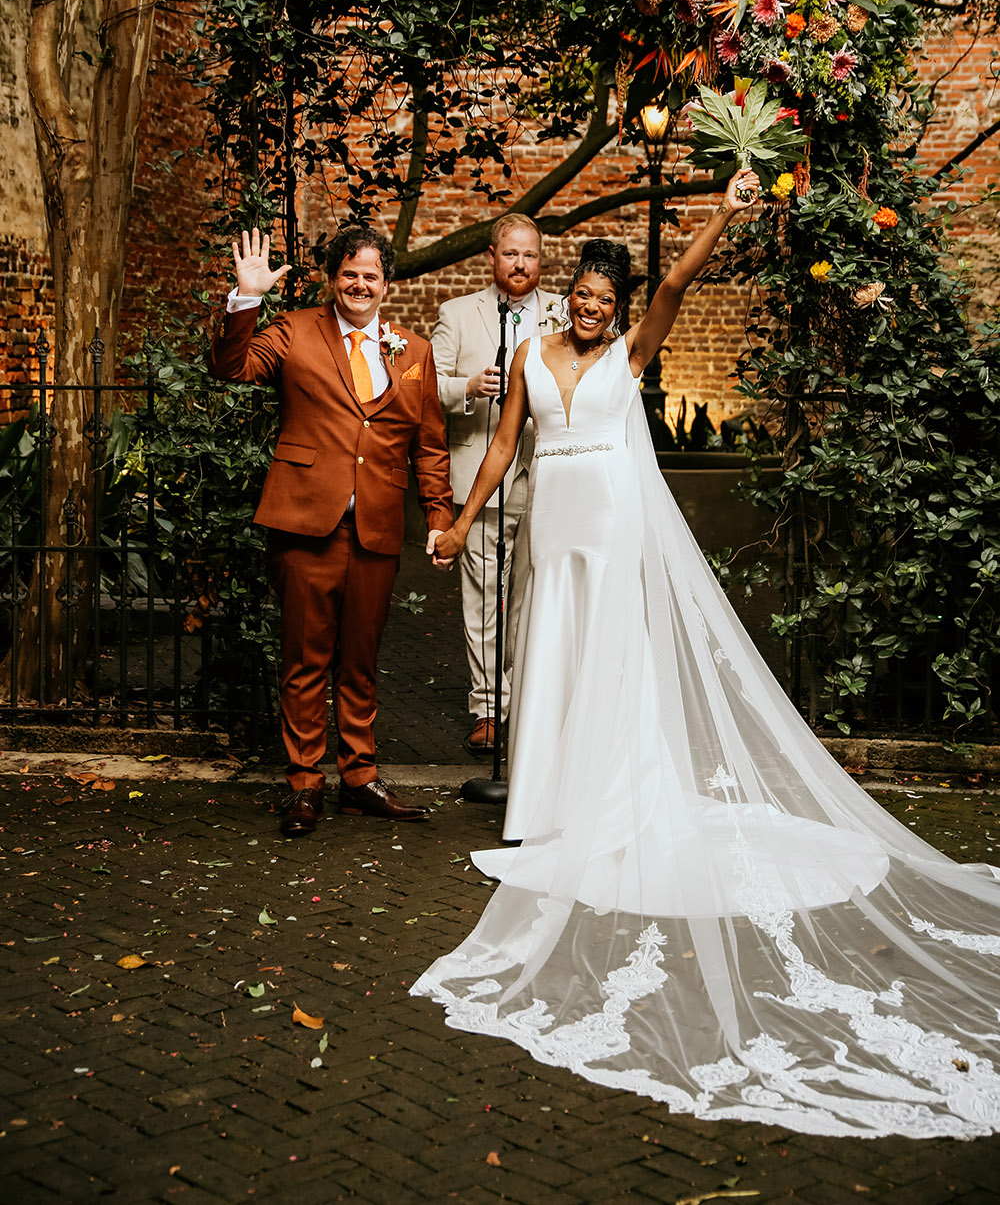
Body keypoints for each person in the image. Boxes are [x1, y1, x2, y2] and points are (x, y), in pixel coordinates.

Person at [412, 173, 1000, 1140]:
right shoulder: (528, 356)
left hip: (610, 524)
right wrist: (462, 523)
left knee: (610, 663)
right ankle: (544, 812)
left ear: (618, 309)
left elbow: (679, 284)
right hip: (553, 531)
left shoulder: (631, 350)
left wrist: (724, 213)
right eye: (585, 297)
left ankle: (608, 804)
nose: (594, 311)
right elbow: (505, 447)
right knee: (549, 657)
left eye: (607, 301)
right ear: (569, 298)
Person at [208, 223, 453, 834]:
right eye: (349, 274)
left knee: (361, 661)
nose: (359, 284)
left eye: (371, 275)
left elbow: (428, 445)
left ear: (387, 284)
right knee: (304, 660)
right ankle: (304, 784)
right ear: (332, 278)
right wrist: (247, 298)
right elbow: (232, 367)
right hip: (304, 523)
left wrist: (439, 515)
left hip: (375, 527)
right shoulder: (295, 331)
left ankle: (360, 779)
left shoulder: (413, 351)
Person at [431, 215, 564, 755]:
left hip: (547, 477)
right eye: (511, 254)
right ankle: (488, 708)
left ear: (541, 259)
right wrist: (467, 386)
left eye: (530, 255)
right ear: (492, 256)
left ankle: (527, 701)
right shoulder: (458, 313)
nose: (521, 264)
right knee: (484, 598)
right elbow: (425, 389)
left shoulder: (564, 311)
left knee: (533, 597)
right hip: (479, 478)